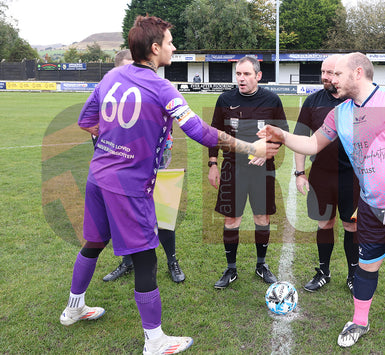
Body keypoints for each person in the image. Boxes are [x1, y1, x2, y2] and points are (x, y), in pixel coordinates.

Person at [60, 15, 275, 355]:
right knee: (146, 260)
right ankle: (155, 341)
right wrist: (252, 147)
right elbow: (200, 132)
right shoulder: (161, 87)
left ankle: (74, 307)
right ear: (155, 48)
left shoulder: (113, 74)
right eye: (171, 42)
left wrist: (117, 141)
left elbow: (87, 121)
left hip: (97, 177)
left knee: (94, 242)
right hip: (129, 187)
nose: (174, 47)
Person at [260, 52, 385, 347]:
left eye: (337, 75)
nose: (331, 80)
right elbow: (312, 143)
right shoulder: (338, 112)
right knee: (367, 265)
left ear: (357, 72)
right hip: (369, 206)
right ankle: (359, 321)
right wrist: (281, 134)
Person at [97, 49, 185, 284]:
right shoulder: (111, 91)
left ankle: (172, 261)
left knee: (162, 211)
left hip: (154, 164)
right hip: (117, 168)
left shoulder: (157, 87)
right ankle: (127, 262)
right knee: (121, 215)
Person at [208, 56, 289, 289]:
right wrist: (212, 164)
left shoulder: (271, 100)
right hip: (232, 168)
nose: (241, 79)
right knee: (232, 219)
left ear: (258, 76)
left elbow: (282, 133)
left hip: (262, 169)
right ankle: (231, 269)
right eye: (238, 74)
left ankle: (261, 265)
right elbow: (215, 133)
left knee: (262, 218)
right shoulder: (225, 99)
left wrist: (268, 152)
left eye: (246, 74)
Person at [293, 54, 359, 293]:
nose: (325, 77)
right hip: (321, 174)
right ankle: (323, 271)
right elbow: (300, 138)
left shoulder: (355, 100)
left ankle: (354, 275)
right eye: (323, 71)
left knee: (352, 226)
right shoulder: (313, 101)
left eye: (331, 72)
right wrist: (300, 172)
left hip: (352, 176)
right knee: (324, 224)